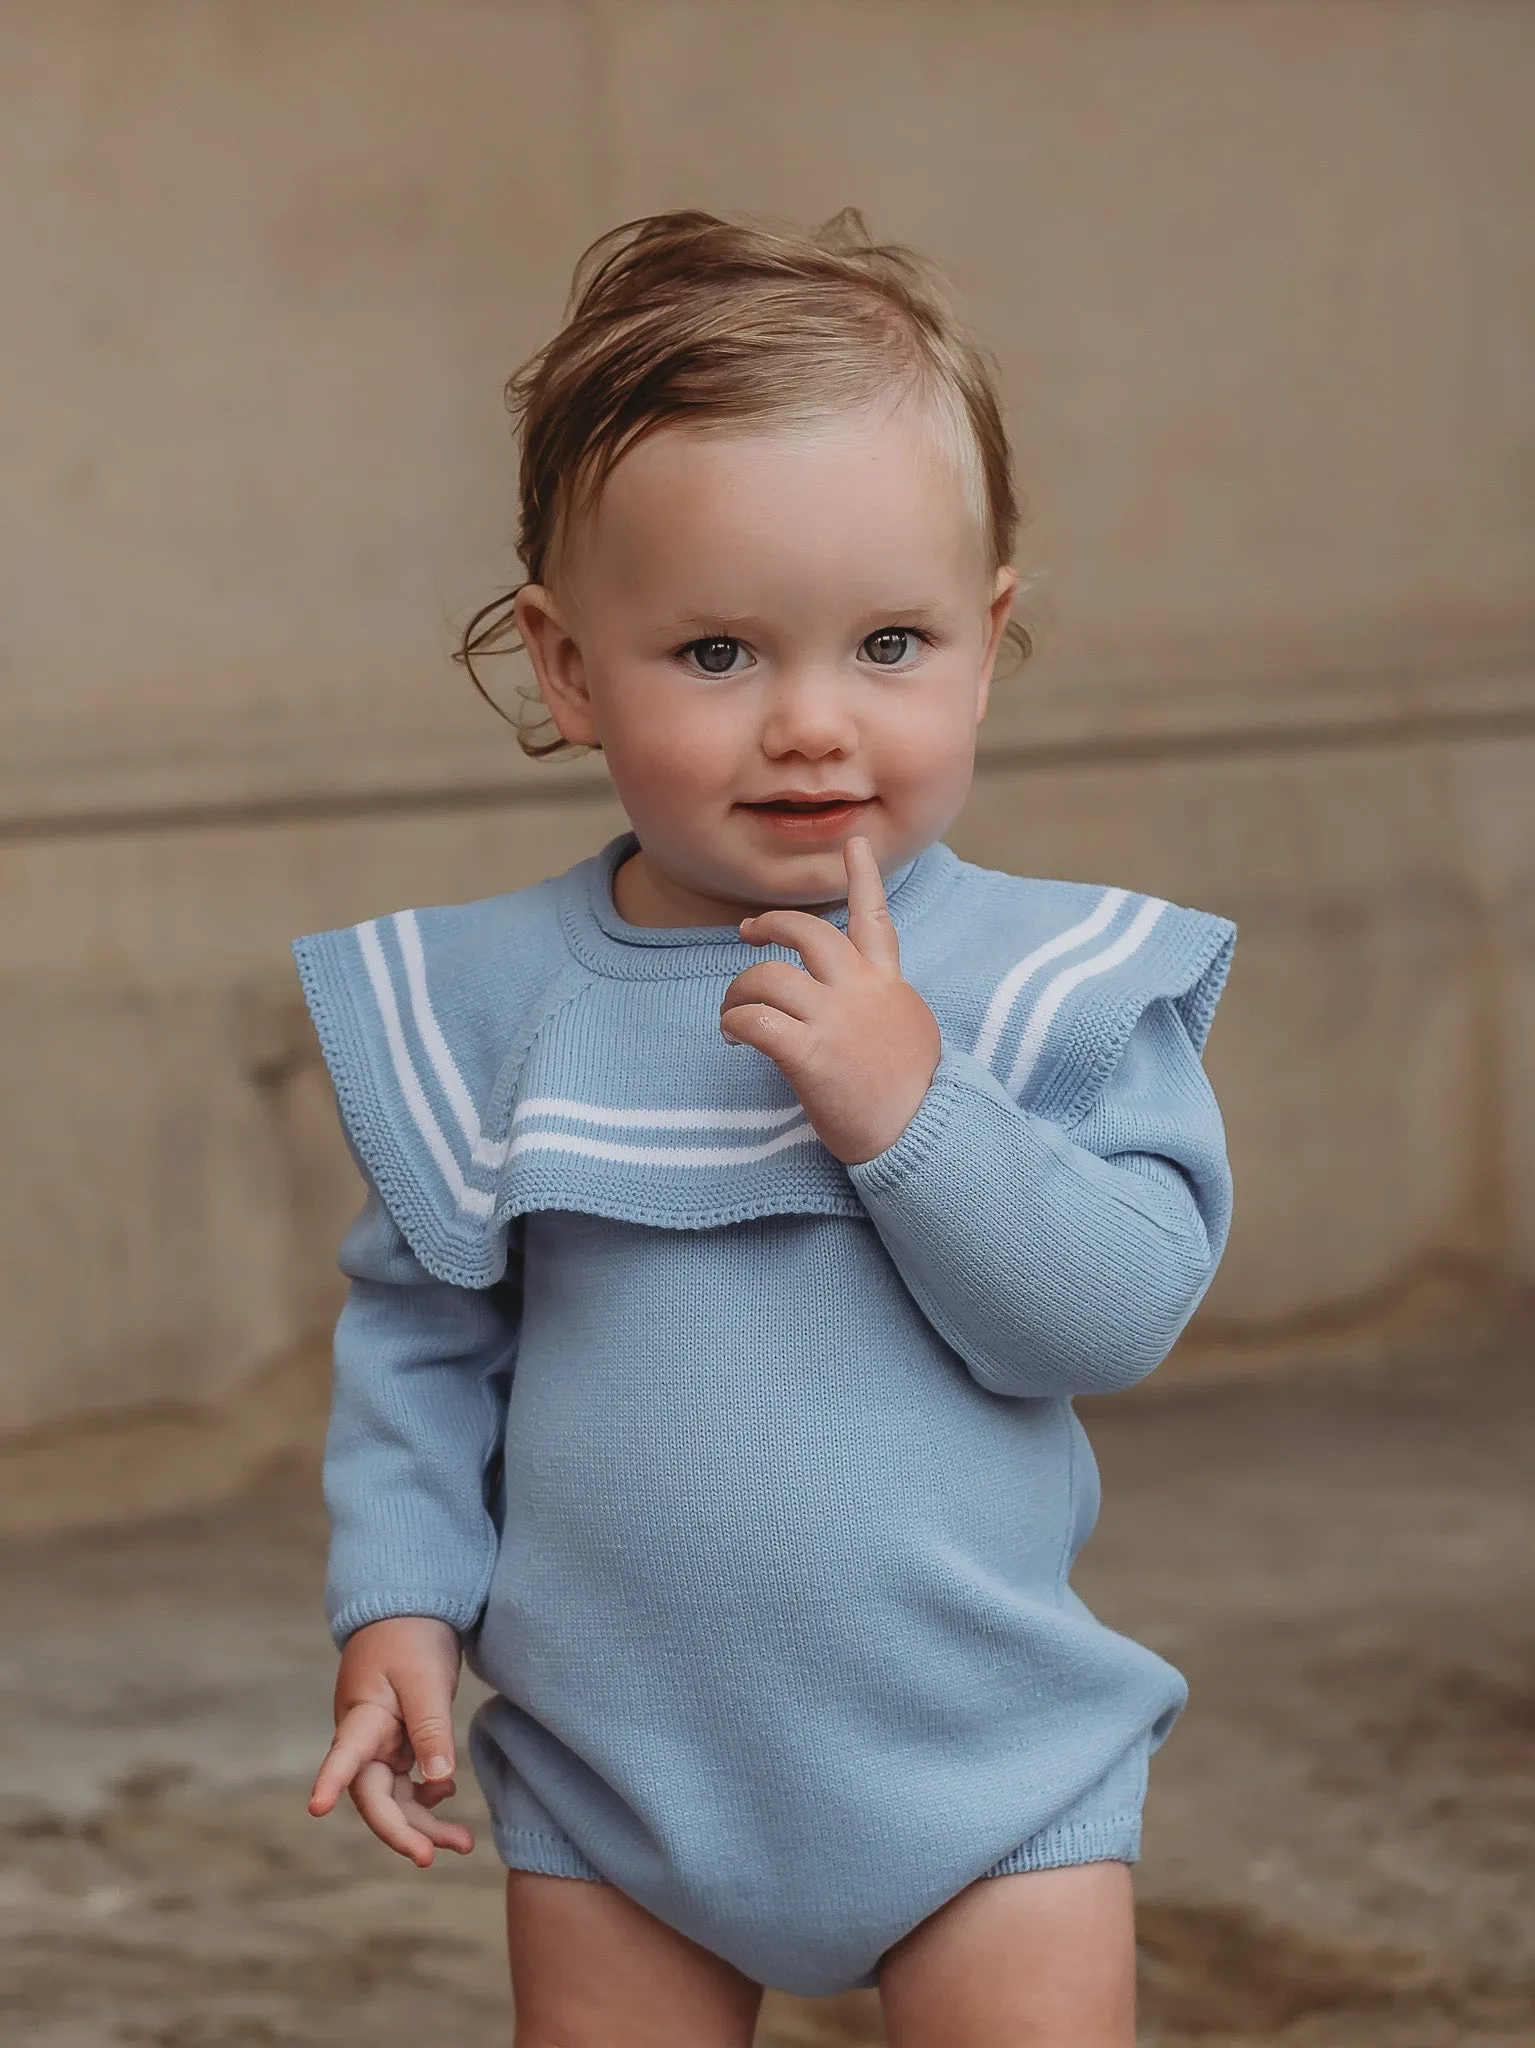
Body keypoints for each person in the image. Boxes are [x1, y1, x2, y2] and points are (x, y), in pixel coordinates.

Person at [294, 208, 1235, 2046]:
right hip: (613, 1778)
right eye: (718, 654)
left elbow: (1112, 1316)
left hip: (991, 1771)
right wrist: (397, 1607)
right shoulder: (498, 1010)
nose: (815, 725)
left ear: (991, 639)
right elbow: (424, 1335)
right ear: (568, 672)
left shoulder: (1044, 983)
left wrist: (914, 1109)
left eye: (892, 642)